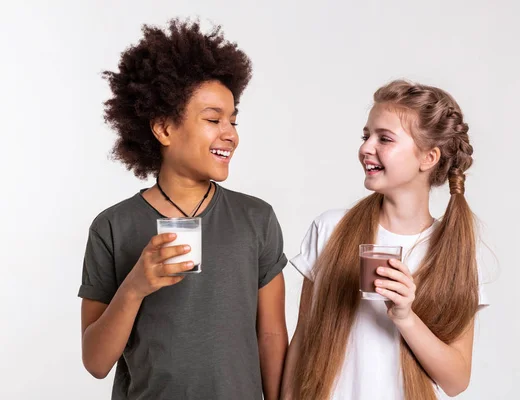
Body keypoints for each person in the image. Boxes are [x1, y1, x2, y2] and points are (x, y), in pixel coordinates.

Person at [78, 19, 288, 400]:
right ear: (164, 129)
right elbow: (95, 362)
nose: (230, 133)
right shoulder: (112, 226)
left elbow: (271, 334)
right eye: (213, 119)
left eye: (233, 120)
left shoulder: (256, 219)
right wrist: (135, 287)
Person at [282, 79, 489, 400]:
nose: (366, 148)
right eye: (366, 136)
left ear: (428, 157)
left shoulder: (456, 252)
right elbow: (303, 340)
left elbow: (456, 380)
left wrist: (405, 316)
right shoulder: (331, 229)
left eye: (385, 138)